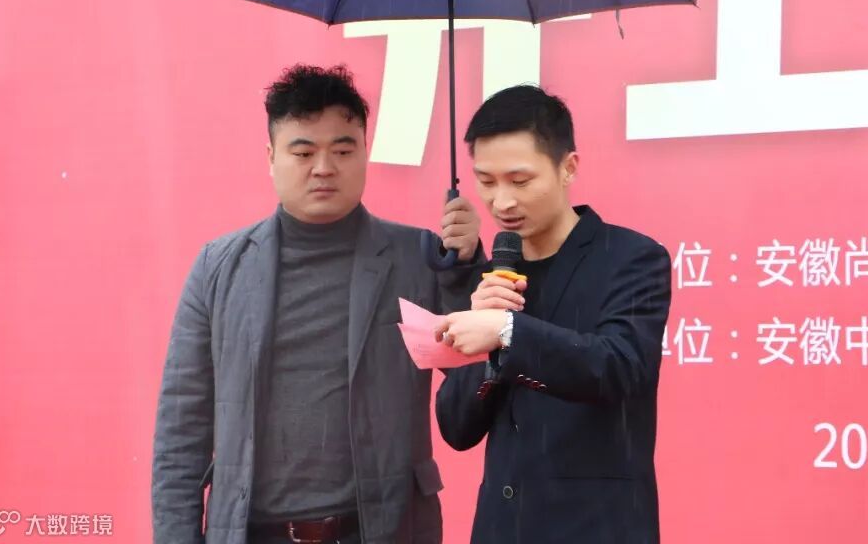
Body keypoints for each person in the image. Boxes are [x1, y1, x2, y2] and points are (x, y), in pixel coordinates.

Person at [152, 64, 481, 544]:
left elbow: (476, 378)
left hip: (382, 530)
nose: (324, 168)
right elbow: (182, 430)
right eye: (303, 152)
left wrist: (466, 266)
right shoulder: (218, 268)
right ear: (271, 157)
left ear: (365, 151)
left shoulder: (422, 257)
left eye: (343, 151)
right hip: (252, 533)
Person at [433, 85, 672, 544]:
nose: (502, 202)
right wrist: (486, 335)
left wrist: (508, 331)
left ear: (568, 168)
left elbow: (619, 367)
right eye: (486, 182)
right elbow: (456, 427)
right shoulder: (491, 278)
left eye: (520, 181)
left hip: (598, 529)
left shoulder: (631, 257)